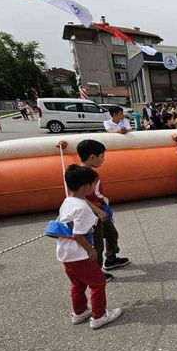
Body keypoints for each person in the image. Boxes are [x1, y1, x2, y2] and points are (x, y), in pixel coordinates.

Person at [52, 164, 122, 329]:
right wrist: (91, 250)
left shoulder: (68, 201)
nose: (94, 187)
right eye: (93, 184)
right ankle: (99, 316)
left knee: (78, 284)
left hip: (65, 254)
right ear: (85, 187)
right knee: (98, 283)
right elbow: (78, 235)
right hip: (80, 255)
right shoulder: (83, 208)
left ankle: (80, 312)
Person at [77, 140, 130, 281]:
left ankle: (111, 259)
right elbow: (80, 197)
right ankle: (96, 272)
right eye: (102, 156)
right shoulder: (83, 175)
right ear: (92, 157)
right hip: (94, 215)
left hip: (102, 210)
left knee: (112, 234)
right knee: (98, 244)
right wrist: (98, 211)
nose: (103, 160)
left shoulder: (91, 172)